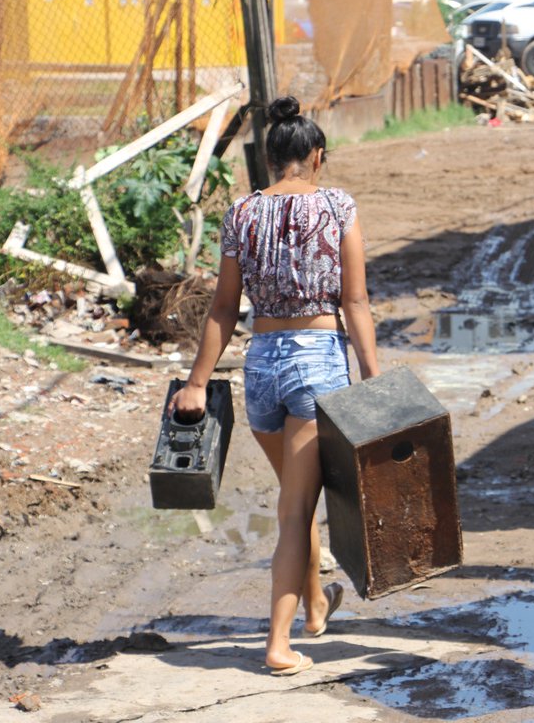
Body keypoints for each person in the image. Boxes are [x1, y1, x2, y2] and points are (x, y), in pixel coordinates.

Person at [170, 96, 380, 676]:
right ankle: (279, 644)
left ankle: (316, 604)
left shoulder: (241, 213)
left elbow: (221, 308)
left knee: (298, 497)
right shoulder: (338, 206)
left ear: (268, 158)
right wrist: (374, 379)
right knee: (294, 512)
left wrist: (196, 383)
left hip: (261, 366)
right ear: (317, 157)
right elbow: (355, 300)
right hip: (317, 364)